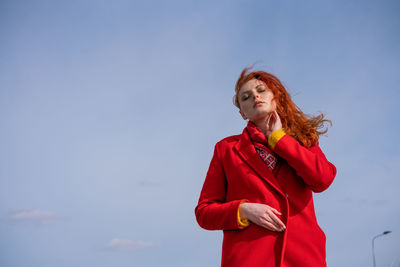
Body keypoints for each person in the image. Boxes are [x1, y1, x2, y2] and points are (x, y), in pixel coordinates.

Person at [194, 68, 337, 267]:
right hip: (249, 258)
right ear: (242, 112)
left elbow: (322, 179)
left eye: (261, 90)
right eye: (246, 97)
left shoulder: (303, 139)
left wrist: (280, 140)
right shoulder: (225, 149)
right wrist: (244, 210)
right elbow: (204, 213)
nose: (255, 96)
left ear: (275, 98)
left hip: (303, 256)